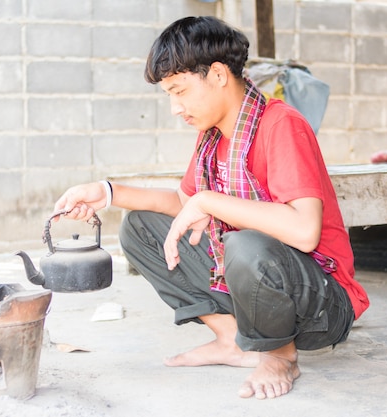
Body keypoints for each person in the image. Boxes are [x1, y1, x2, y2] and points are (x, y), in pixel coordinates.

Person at [53, 16, 369, 400]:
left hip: (321, 301)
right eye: (168, 94)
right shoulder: (211, 138)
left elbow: (305, 231)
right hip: (253, 279)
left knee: (246, 245)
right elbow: (184, 205)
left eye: (180, 91)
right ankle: (232, 340)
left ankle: (280, 354)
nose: (175, 107)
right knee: (140, 227)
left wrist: (209, 200)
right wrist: (106, 192)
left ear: (218, 74)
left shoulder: (280, 124)